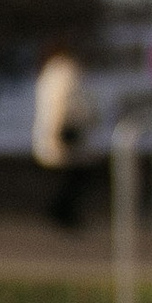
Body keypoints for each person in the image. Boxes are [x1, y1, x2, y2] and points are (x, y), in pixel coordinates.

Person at [32, 41, 97, 233]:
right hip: (66, 129)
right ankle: (61, 213)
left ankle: (62, 213)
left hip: (60, 128)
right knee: (75, 174)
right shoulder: (65, 72)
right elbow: (66, 101)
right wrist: (62, 129)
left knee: (72, 175)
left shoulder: (52, 72)